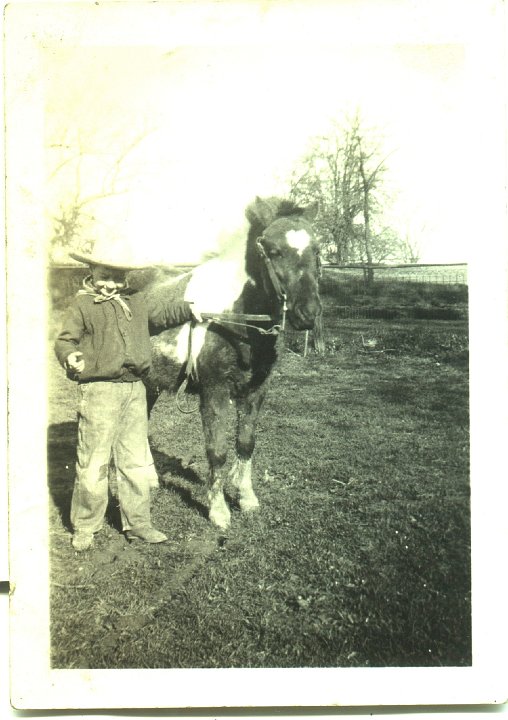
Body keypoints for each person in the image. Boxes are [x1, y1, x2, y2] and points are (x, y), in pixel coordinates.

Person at [54, 239, 199, 552]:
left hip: (135, 390)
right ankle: (85, 526)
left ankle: (138, 524)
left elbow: (165, 314)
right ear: (91, 272)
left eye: (118, 277)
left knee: (134, 462)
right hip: (99, 392)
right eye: (105, 275)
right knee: (93, 463)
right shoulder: (82, 305)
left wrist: (190, 308)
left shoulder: (136, 300)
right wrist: (70, 356)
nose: (111, 283)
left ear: (127, 278)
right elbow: (66, 340)